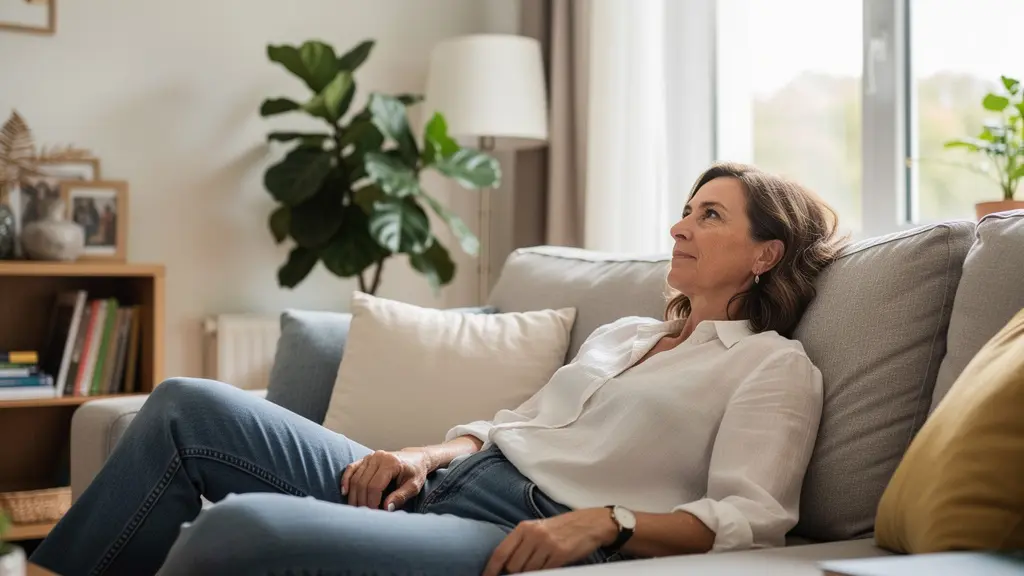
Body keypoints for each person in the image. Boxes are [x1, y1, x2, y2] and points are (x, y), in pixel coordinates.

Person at [30, 162, 845, 576]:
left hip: (512, 528)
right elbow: (513, 424)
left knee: (240, 530)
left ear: (765, 254)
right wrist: (425, 454)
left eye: (709, 216)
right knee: (183, 404)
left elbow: (752, 518)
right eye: (685, 209)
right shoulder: (628, 332)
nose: (679, 226)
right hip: (449, 480)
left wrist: (607, 522)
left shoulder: (772, 369)